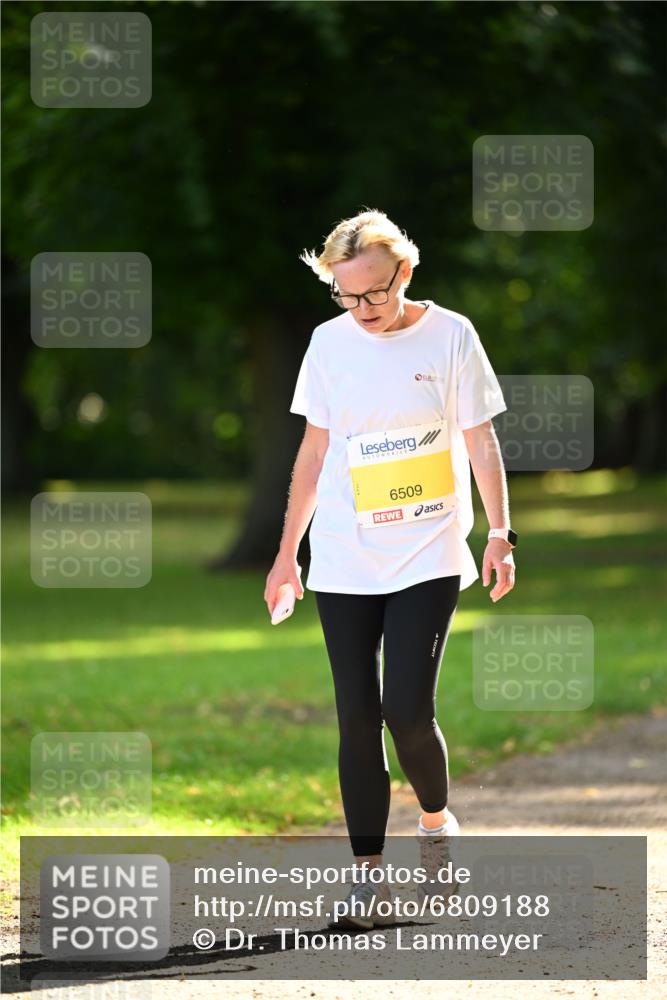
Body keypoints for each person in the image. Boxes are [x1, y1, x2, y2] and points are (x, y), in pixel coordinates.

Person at [264, 209, 517, 928]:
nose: (361, 309)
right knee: (355, 717)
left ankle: (435, 827)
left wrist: (500, 533)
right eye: (346, 296)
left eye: (373, 293)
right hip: (344, 557)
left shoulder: (450, 335)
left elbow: (480, 441)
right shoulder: (327, 344)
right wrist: (287, 554)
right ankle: (366, 877)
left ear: (403, 273)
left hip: (428, 551)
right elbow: (312, 453)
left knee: (405, 708)